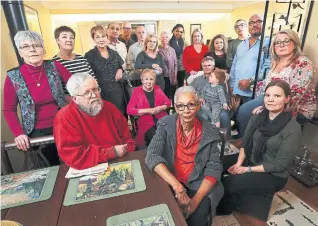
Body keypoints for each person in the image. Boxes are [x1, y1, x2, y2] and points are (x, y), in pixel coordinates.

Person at [218, 80, 302, 220]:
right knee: (216, 163)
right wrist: (239, 164)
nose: (271, 99)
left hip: (273, 174)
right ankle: (220, 199)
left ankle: (223, 209)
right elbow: (246, 141)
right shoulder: (258, 116)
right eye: (267, 95)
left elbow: (279, 164)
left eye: (277, 96)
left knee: (229, 183)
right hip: (252, 158)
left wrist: (247, 170)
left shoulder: (293, 128)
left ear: (287, 99)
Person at [145, 86, 224, 226]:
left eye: (191, 105)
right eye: (181, 106)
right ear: (175, 107)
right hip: (171, 179)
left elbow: (214, 168)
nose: (186, 110)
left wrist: (194, 201)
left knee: (196, 219)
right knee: (162, 216)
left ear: (198, 105)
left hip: (198, 183)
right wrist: (178, 187)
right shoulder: (165, 124)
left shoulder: (210, 132)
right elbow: (152, 155)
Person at [3, 31, 71, 165]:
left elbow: (76, 86)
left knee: (73, 162)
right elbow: (9, 110)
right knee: (50, 167)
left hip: (64, 124)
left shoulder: (55, 66)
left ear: (43, 49)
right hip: (36, 133)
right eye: (26, 46)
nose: (32, 50)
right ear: (20, 52)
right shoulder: (13, 76)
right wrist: (19, 133)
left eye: (36, 45)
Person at [237, 29, 316, 137]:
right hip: (273, 100)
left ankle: (251, 144)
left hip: (296, 107)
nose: (281, 45)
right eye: (277, 42)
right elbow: (266, 84)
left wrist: (266, 107)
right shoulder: (276, 62)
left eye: (286, 41)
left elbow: (296, 94)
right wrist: (250, 84)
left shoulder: (303, 63)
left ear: (295, 44)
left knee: (255, 117)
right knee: (243, 111)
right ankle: (246, 143)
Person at [54, 73, 136, 170]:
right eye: (87, 93)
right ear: (75, 99)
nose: (94, 95)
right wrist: (111, 152)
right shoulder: (64, 118)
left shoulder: (109, 108)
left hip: (120, 161)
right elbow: (74, 156)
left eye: (95, 89)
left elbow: (128, 140)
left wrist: (129, 158)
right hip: (87, 169)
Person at [84, 25, 126, 115]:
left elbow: (121, 67)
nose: (101, 39)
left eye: (103, 36)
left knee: (121, 117)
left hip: (118, 93)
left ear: (107, 37)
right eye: (97, 37)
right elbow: (87, 76)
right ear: (93, 39)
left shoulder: (114, 53)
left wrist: (120, 70)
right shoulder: (89, 56)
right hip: (101, 94)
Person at [229, 14, 270, 104]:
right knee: (236, 117)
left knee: (251, 116)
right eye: (251, 23)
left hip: (255, 92)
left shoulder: (268, 44)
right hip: (237, 90)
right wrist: (232, 85)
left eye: (258, 22)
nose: (254, 25)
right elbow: (234, 65)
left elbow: (268, 69)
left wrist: (251, 80)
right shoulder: (241, 44)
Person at [127, 69, 171, 149]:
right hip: (146, 120)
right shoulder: (137, 91)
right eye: (146, 79)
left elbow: (168, 103)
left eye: (151, 79)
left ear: (154, 80)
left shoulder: (157, 88)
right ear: (142, 80)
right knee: (155, 137)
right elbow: (130, 110)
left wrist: (160, 108)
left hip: (161, 118)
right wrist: (149, 110)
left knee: (170, 134)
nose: (149, 82)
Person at [190, 56, 231, 137]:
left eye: (209, 65)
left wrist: (224, 104)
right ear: (202, 66)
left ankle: (226, 139)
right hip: (202, 105)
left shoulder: (220, 79)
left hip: (217, 103)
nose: (207, 67)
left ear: (213, 66)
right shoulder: (197, 80)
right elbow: (189, 92)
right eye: (204, 66)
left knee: (223, 115)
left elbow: (224, 95)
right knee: (204, 116)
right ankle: (209, 138)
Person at [158, 31, 178, 99]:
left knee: (171, 95)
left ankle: (170, 108)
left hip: (171, 76)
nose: (165, 38)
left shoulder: (172, 50)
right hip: (162, 77)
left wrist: (175, 77)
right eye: (163, 37)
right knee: (162, 95)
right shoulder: (157, 50)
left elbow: (175, 64)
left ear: (169, 38)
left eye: (166, 37)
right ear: (159, 38)